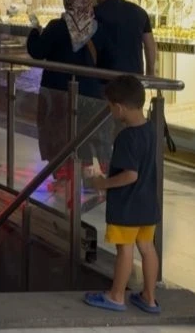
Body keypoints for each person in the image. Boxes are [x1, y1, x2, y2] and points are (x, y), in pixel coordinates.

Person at [83, 75, 161, 315]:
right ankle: (149, 297)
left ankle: (116, 296)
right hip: (148, 204)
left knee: (125, 249)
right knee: (147, 247)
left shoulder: (127, 137)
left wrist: (103, 183)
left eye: (110, 106)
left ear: (119, 108)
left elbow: (130, 175)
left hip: (127, 206)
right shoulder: (150, 130)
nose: (110, 110)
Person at [26, 0, 113, 186]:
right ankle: (89, 173)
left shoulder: (56, 27)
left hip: (57, 92)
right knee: (86, 131)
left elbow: (37, 51)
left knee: (59, 132)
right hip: (89, 92)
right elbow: (107, 60)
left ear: (67, 2)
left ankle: (65, 175)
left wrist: (34, 32)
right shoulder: (98, 29)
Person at [93, 0, 157, 76]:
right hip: (134, 76)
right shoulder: (140, 12)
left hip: (104, 76)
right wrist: (150, 72)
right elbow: (149, 46)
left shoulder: (93, 13)